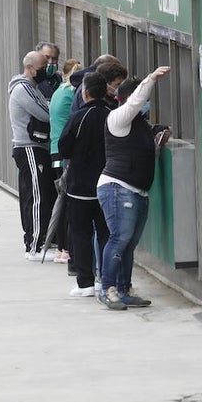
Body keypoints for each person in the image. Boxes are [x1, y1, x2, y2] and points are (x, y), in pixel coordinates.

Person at [97, 68, 172, 310]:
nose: (146, 104)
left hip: (137, 191)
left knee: (128, 244)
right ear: (130, 99)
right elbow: (136, 101)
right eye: (144, 100)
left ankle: (123, 289)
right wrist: (151, 80)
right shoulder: (118, 118)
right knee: (119, 239)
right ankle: (107, 289)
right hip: (118, 188)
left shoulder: (140, 123)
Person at [58, 71, 113, 297]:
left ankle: (85, 282)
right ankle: (105, 278)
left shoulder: (78, 117)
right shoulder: (113, 115)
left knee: (80, 233)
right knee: (105, 234)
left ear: (85, 93)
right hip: (108, 183)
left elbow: (64, 147)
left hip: (80, 185)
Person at [8, 50, 56, 260]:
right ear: (29, 68)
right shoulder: (23, 89)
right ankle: (34, 246)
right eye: (42, 68)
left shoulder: (32, 88)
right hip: (28, 148)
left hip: (35, 149)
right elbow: (46, 114)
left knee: (36, 195)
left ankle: (36, 241)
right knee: (36, 197)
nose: (45, 72)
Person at [47, 58, 82, 264]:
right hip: (65, 152)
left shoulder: (59, 90)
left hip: (55, 150)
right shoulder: (71, 93)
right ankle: (66, 247)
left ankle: (61, 247)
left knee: (61, 200)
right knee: (67, 201)